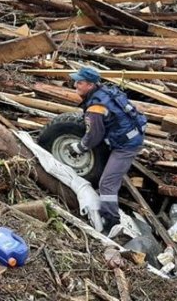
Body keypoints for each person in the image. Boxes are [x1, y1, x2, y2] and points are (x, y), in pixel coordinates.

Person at [68, 66, 147, 233]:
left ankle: (111, 221)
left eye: (80, 82)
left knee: (107, 184)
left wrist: (79, 147)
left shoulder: (96, 107)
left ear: (90, 85)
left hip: (126, 146)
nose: (75, 85)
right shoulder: (105, 91)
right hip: (130, 133)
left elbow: (94, 136)